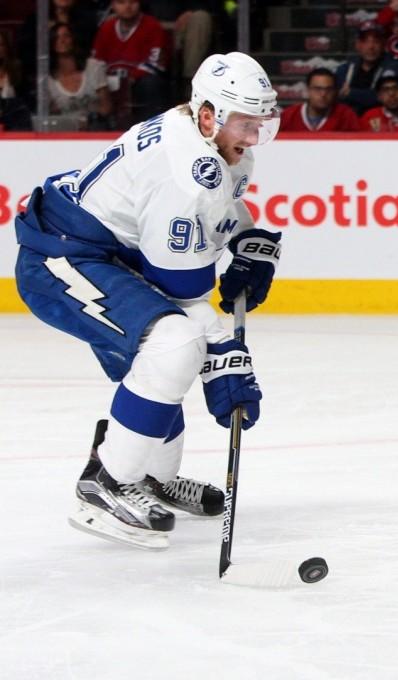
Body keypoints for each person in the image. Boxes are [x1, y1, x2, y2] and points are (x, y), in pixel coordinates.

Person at [13, 52, 282, 551]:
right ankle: (106, 484)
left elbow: (217, 208)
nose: (251, 137)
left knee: (167, 360)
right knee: (175, 345)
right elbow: (185, 292)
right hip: (64, 260)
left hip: (112, 255)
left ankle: (150, 479)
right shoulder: (186, 169)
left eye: (261, 123)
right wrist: (223, 350)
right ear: (207, 116)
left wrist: (247, 238)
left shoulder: (211, 145)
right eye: (244, 123)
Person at [91, 0, 171, 126]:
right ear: (113, 5)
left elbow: (156, 62)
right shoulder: (106, 27)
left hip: (138, 81)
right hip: (109, 80)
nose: (127, 6)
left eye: (132, 2)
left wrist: (131, 77)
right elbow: (97, 61)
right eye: (121, 2)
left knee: (150, 84)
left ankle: (148, 128)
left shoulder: (152, 26)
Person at [47, 22, 114, 130]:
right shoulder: (48, 80)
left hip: (96, 129)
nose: (62, 41)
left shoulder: (93, 67)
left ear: (74, 39)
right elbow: (50, 116)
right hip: (65, 134)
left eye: (66, 36)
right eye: (56, 37)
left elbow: (106, 107)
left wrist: (88, 123)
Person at [335, 21, 398, 117]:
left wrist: (350, 93)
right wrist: (369, 96)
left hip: (382, 123)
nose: (371, 46)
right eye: (365, 41)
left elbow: (386, 98)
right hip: (351, 122)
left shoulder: (393, 67)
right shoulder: (345, 69)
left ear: (383, 44)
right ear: (357, 45)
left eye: (376, 41)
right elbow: (336, 96)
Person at [279, 67, 360, 132]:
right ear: (308, 90)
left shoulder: (346, 116)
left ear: (335, 91)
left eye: (329, 89)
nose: (323, 94)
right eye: (317, 89)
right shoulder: (288, 116)